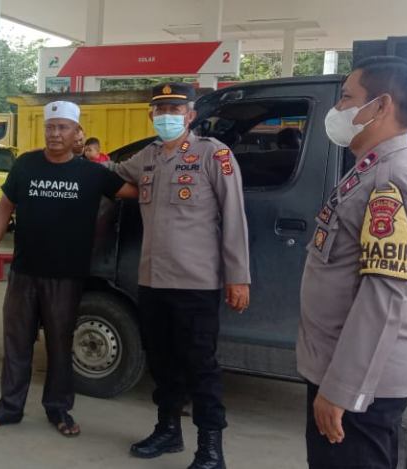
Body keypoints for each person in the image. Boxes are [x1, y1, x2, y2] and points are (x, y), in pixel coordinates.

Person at [297, 56, 407, 469]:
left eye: (346, 98)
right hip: (341, 367)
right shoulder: (370, 168)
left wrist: (342, 389)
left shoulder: (393, 178)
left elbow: (382, 296)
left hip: (359, 382)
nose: (338, 109)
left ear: (381, 105)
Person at [0, 101, 136, 437]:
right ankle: (9, 408)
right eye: (50, 127)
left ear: (77, 133)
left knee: (60, 345)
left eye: (63, 127)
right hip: (24, 272)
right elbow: (5, 208)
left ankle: (58, 409)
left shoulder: (92, 174)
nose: (55, 134)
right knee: (17, 342)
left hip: (66, 276)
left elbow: (134, 191)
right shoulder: (26, 165)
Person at [115, 82, 250, 469]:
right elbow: (112, 176)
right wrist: (79, 163)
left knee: (200, 366)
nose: (167, 117)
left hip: (196, 282)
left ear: (190, 115)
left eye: (175, 110)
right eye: (161, 111)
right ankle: (168, 430)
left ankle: (211, 449)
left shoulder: (213, 154)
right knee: (162, 363)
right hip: (153, 280)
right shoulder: (148, 157)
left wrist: (238, 276)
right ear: (151, 116)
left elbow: (234, 215)